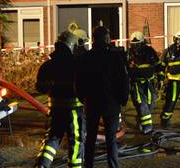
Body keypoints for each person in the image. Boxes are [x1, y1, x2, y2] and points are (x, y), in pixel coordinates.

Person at [75, 26, 129, 168]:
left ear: (93, 39)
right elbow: (122, 80)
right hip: (111, 104)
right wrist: (123, 99)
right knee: (111, 139)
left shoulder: (85, 57)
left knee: (90, 138)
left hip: (91, 103)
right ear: (106, 39)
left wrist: (83, 99)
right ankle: (113, 165)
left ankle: (88, 165)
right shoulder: (115, 57)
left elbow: (79, 81)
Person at [35, 31, 84, 168]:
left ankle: (43, 164)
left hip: (55, 109)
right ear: (72, 46)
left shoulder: (48, 65)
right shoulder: (76, 64)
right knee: (76, 140)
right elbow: (85, 85)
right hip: (73, 111)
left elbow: (40, 87)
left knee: (53, 138)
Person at [128, 31, 163, 135]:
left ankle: (140, 119)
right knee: (141, 104)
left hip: (149, 83)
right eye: (133, 44)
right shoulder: (128, 54)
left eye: (137, 44)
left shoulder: (150, 51)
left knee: (150, 103)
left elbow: (158, 65)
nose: (135, 47)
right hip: (136, 84)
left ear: (142, 43)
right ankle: (147, 127)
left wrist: (160, 79)